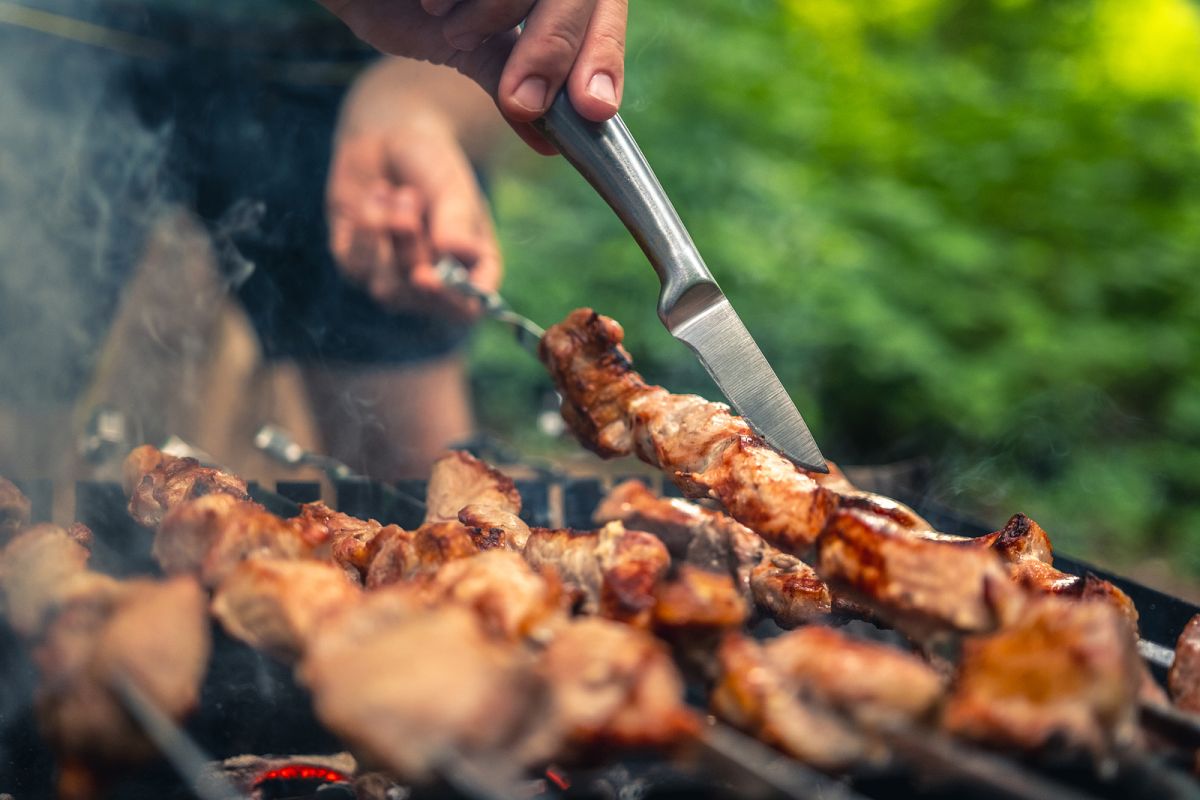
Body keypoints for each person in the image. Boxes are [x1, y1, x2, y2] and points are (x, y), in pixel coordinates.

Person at [0, 0, 630, 481]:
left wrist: (419, 103)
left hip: (351, 57)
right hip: (58, 36)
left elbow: (526, 45)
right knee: (14, 430)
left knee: (422, 481)